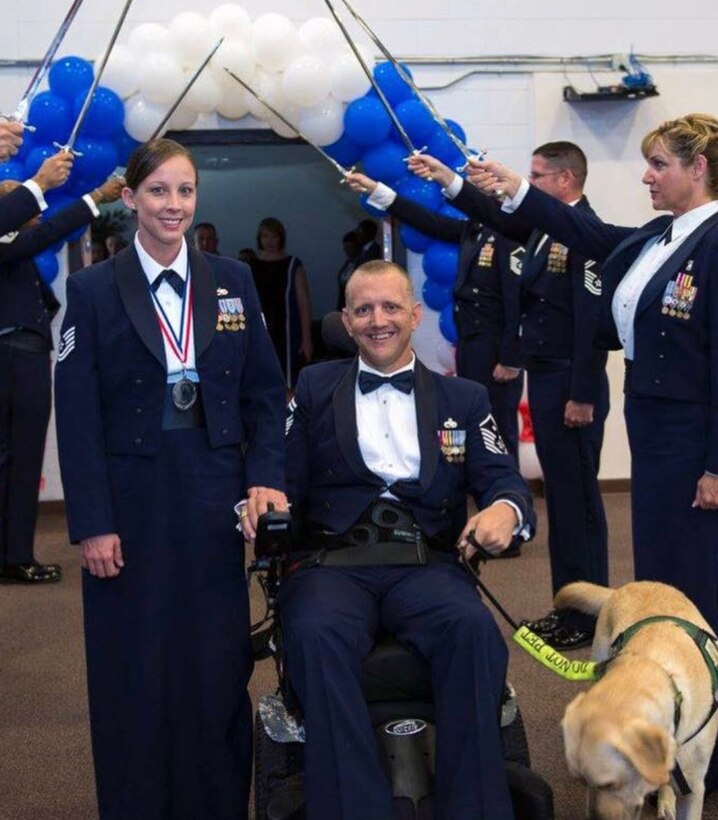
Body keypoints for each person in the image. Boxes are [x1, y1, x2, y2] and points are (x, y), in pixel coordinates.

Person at [54, 138, 288, 820]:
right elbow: (76, 415)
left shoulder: (232, 282)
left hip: (214, 496)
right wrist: (92, 521)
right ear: (129, 199)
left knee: (215, 668)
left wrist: (264, 480)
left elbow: (266, 397)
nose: (173, 205)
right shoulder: (92, 290)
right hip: (129, 504)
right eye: (158, 191)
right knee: (135, 668)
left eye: (184, 191)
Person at [277, 259, 535, 820]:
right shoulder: (316, 387)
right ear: (346, 320)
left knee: (472, 631)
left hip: (427, 564)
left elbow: (501, 478)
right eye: (363, 309)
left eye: (391, 306)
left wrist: (505, 510)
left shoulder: (463, 398)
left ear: (415, 314)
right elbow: (279, 473)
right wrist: (261, 499)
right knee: (314, 634)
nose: (378, 320)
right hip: (332, 564)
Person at [467, 113, 718, 635]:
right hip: (653, 427)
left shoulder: (712, 242)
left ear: (697, 168)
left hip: (693, 438)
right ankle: (663, 661)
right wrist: (517, 190)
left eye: (658, 164)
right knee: (659, 562)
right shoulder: (663, 234)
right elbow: (587, 231)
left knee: (694, 567)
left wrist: (716, 467)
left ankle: (697, 674)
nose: (646, 176)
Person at [409, 144, 609, 649]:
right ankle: (569, 607)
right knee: (562, 504)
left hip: (569, 383)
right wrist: (448, 181)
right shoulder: (547, 231)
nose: (529, 182)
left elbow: (590, 323)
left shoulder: (582, 231)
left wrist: (582, 392)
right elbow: (486, 213)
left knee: (578, 504)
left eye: (538, 175)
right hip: (546, 379)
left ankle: (589, 616)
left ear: (566, 179)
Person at [347, 170, 524, 461]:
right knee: (475, 425)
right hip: (471, 345)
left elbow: (516, 301)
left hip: (495, 351)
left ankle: (511, 501)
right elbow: (425, 221)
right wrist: (377, 189)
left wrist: (511, 358)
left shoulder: (508, 233)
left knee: (499, 431)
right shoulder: (474, 229)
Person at [0, 159, 120, 585]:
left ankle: (13, 553)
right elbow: (48, 232)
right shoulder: (7, 238)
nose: (26, 197)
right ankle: (14, 555)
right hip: (15, 352)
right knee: (22, 455)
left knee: (17, 459)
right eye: (13, 191)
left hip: (22, 350)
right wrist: (96, 197)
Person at [250, 216, 313, 388]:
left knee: (288, 381)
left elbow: (304, 303)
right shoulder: (251, 265)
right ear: (259, 239)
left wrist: (307, 340)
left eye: (274, 236)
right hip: (259, 331)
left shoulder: (293, 264)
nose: (269, 241)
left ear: (281, 238)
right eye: (265, 236)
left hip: (287, 333)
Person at [335, 228, 361, 310]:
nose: (347, 251)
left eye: (350, 247)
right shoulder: (347, 263)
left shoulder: (361, 263)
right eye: (345, 248)